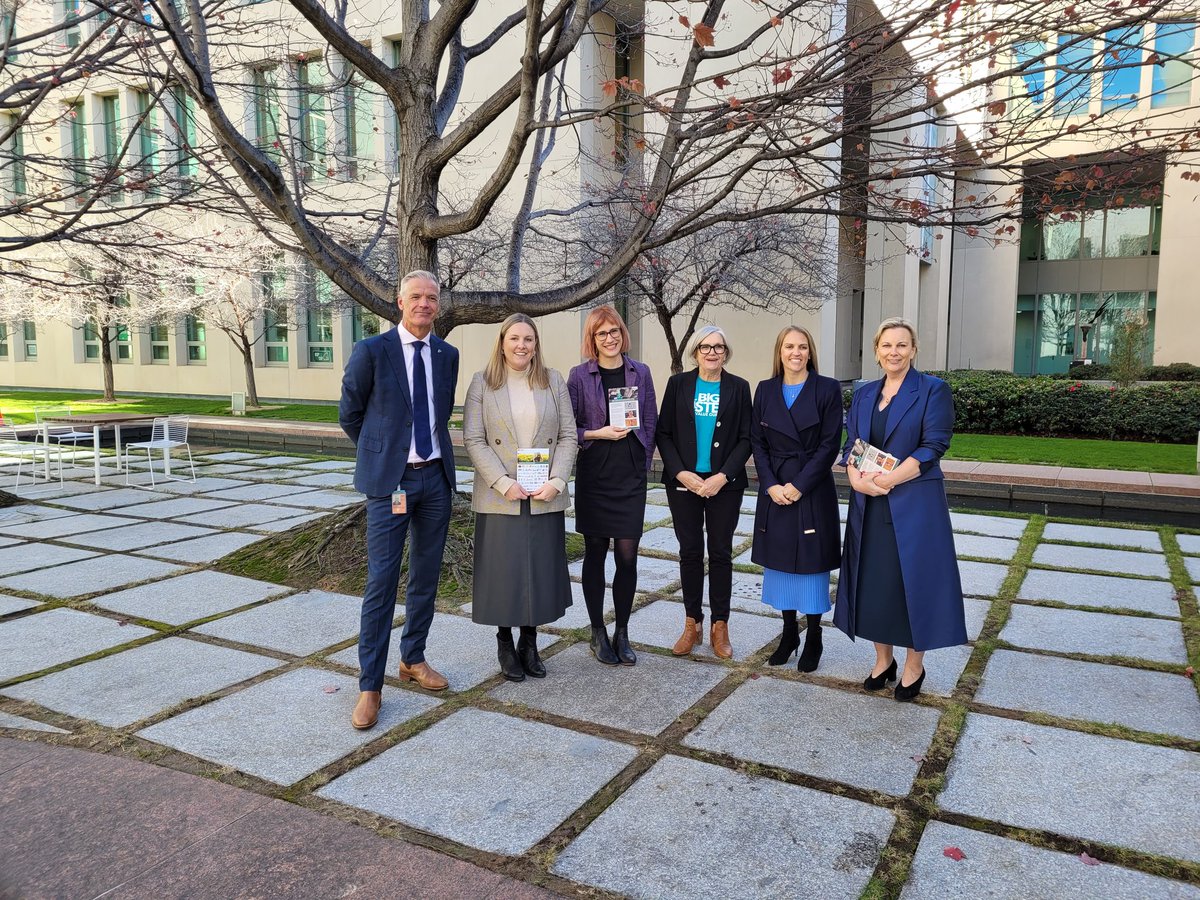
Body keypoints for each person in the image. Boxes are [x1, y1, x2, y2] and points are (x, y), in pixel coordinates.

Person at [339, 270, 460, 730]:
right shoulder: (372, 351)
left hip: (435, 481)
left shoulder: (447, 355)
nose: (424, 304)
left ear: (438, 304)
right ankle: (370, 686)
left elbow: (442, 411)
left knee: (426, 576)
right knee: (382, 581)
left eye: (431, 297)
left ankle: (413, 657)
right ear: (400, 301)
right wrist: (384, 455)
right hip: (390, 484)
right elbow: (350, 413)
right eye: (416, 297)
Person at [834, 316, 966, 701]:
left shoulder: (932, 390)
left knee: (915, 585)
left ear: (913, 349)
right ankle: (882, 660)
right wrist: (855, 478)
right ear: (876, 351)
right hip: (869, 506)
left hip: (914, 505)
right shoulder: (864, 394)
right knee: (874, 583)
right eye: (887, 345)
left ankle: (914, 666)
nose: (894, 352)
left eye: (902, 345)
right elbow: (852, 445)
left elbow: (933, 446)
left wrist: (889, 480)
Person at [462, 314, 577, 681]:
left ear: (535, 344)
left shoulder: (552, 380)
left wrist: (557, 480)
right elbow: (474, 439)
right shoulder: (482, 383)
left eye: (528, 339)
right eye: (514, 338)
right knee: (504, 573)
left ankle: (530, 642)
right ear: (502, 342)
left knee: (539, 572)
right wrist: (501, 481)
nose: (521, 345)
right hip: (502, 494)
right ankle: (505, 641)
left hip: (543, 491)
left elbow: (568, 437)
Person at [567, 305, 658, 666]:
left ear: (623, 333)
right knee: (595, 554)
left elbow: (649, 417)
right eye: (601, 333)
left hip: (629, 473)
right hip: (595, 472)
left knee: (627, 556)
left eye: (614, 331)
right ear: (592, 339)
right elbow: (567, 427)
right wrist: (595, 433)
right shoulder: (578, 376)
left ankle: (622, 631)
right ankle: (597, 632)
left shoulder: (641, 372)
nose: (610, 338)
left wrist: (643, 456)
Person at [750, 326, 843, 672]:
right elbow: (756, 442)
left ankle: (815, 634)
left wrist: (799, 485)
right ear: (780, 351)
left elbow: (829, 444)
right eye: (789, 346)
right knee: (781, 564)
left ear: (810, 352)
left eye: (802, 347)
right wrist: (771, 485)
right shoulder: (765, 389)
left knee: (811, 564)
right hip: (774, 489)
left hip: (811, 487)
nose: (796, 352)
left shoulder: (827, 388)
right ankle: (789, 633)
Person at [655, 325, 751, 659]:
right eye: (706, 347)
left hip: (724, 484)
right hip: (684, 483)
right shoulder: (678, 384)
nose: (712, 353)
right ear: (695, 352)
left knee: (721, 552)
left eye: (719, 347)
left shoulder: (739, 388)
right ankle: (692, 623)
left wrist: (722, 476)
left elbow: (745, 438)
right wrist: (682, 472)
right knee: (691, 551)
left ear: (726, 352)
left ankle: (720, 626)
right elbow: (663, 432)